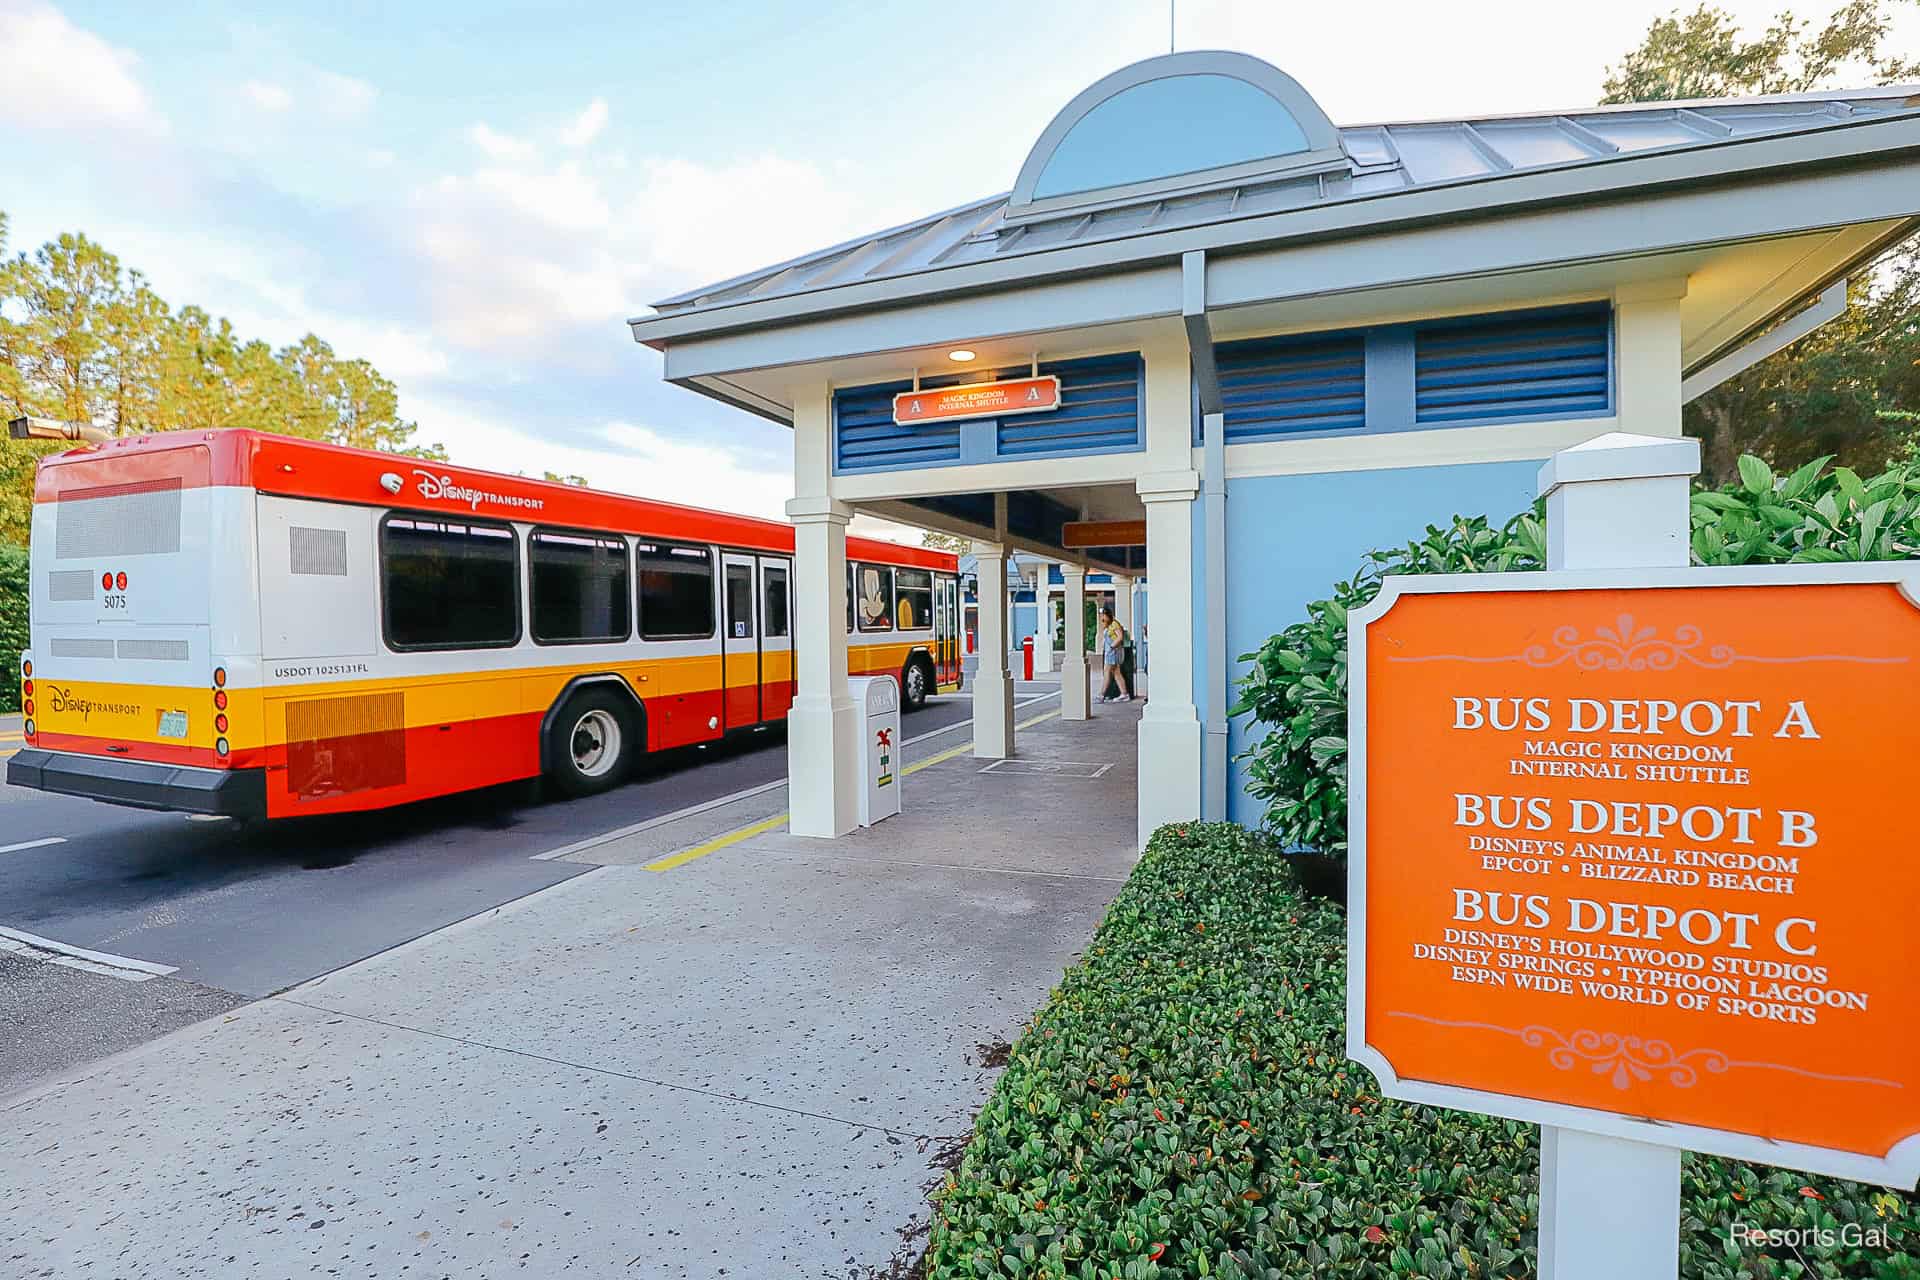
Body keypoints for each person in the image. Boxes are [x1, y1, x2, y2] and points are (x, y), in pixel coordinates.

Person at [1097, 605, 1134, 702]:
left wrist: (1112, 647)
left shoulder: (1114, 624)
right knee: (1116, 673)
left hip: (1112, 652)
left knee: (1107, 672)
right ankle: (1124, 694)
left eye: (1103, 615)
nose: (1102, 618)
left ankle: (1102, 695)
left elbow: (1120, 637)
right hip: (1111, 652)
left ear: (1108, 615)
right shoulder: (1110, 625)